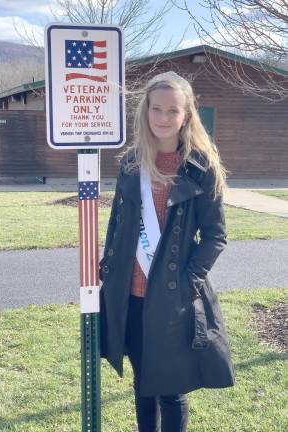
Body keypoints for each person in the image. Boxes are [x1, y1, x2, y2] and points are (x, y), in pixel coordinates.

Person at [99, 71, 234, 432]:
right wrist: (107, 266)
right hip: (132, 294)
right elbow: (117, 225)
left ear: (187, 114)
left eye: (172, 111)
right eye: (156, 109)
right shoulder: (130, 163)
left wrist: (188, 282)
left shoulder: (201, 167)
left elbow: (215, 236)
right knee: (143, 385)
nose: (162, 118)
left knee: (171, 391)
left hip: (173, 298)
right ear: (145, 111)